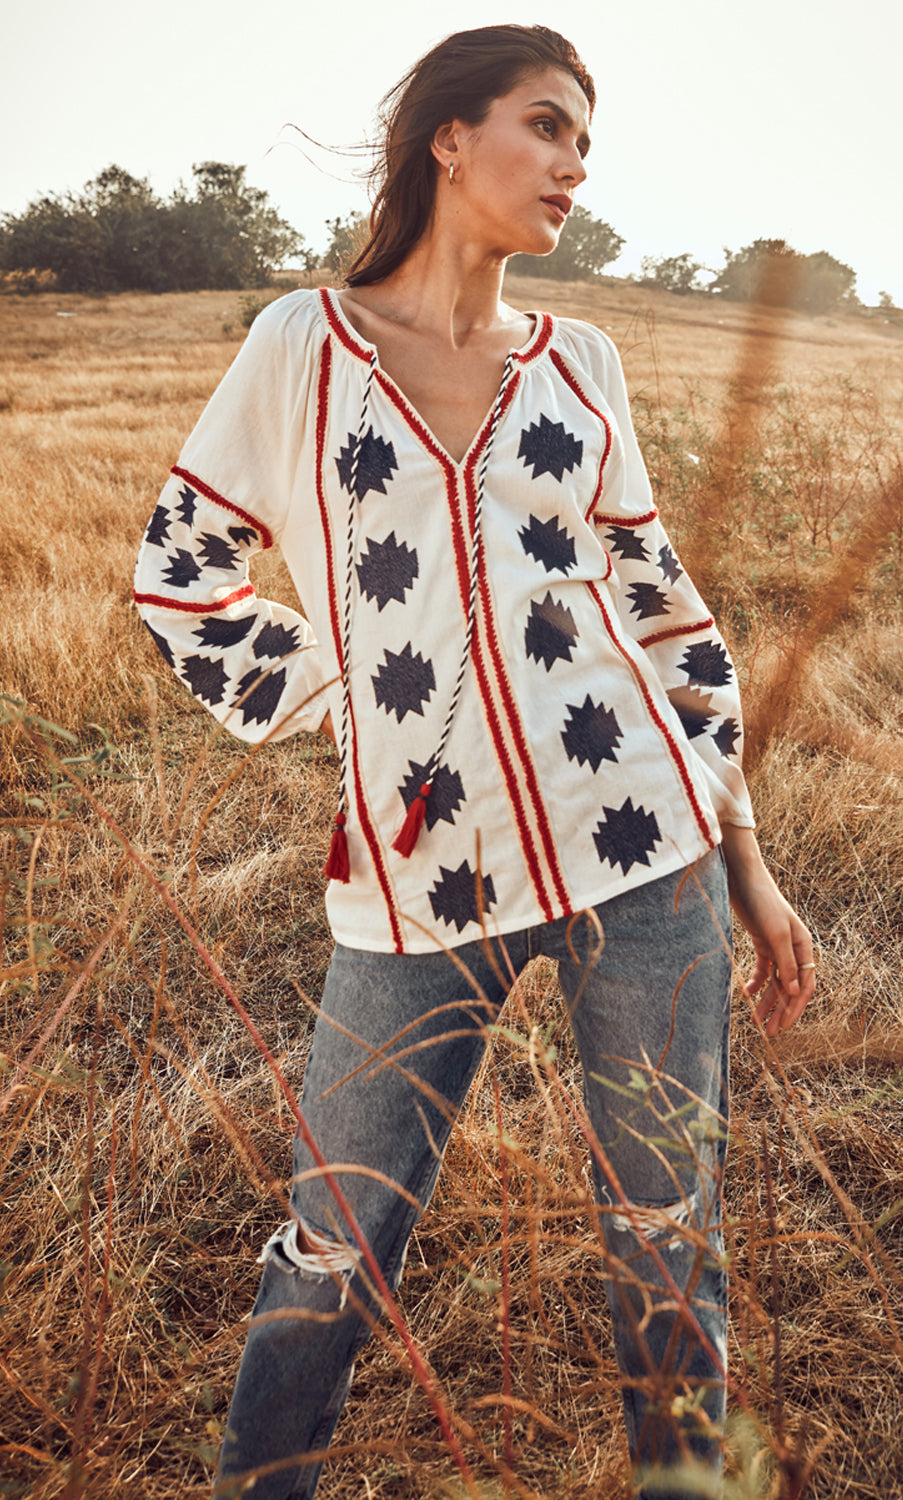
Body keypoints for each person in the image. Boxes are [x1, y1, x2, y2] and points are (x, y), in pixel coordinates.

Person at [133, 23, 814, 1499]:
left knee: (665, 1238)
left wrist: (749, 867)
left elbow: (672, 624)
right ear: (451, 136)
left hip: (646, 853)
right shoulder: (301, 349)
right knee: (333, 1241)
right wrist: (350, 692)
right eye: (549, 126)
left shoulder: (583, 369)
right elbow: (180, 577)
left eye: (587, 140)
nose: (577, 164)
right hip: (415, 878)